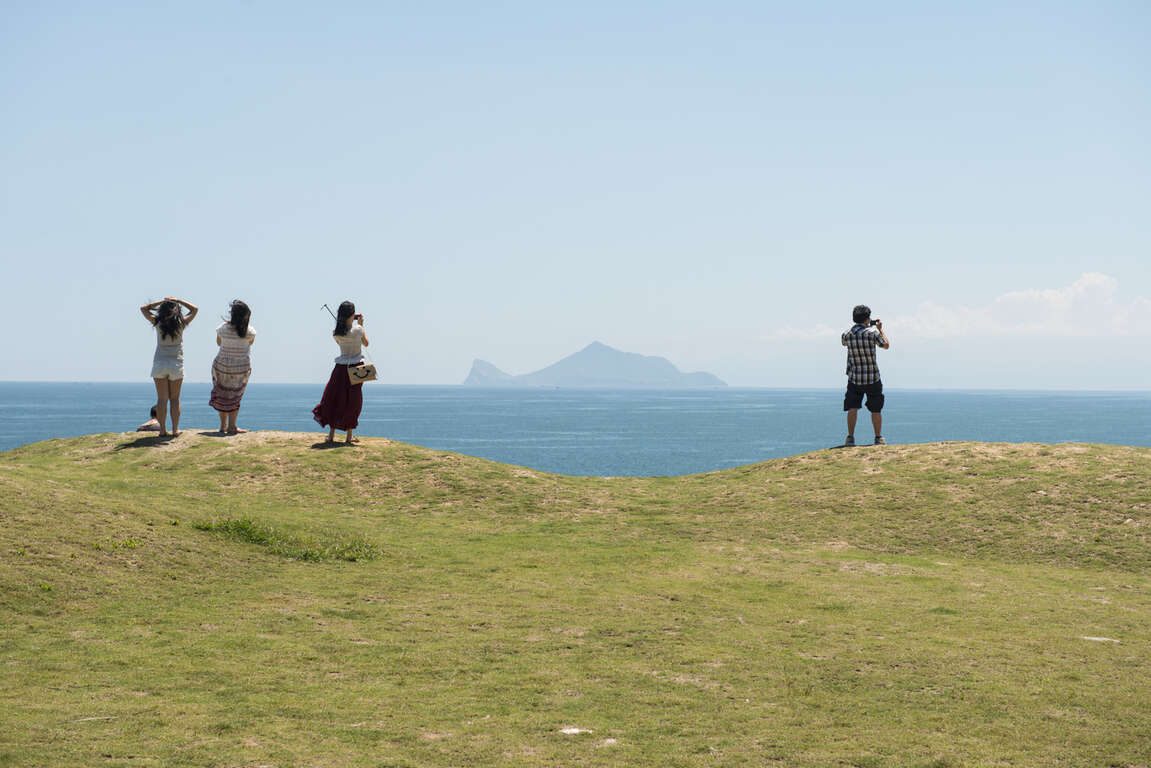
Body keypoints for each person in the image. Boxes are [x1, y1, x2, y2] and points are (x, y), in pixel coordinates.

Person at [312, 301, 370, 445]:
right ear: (352, 315)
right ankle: (349, 437)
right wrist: (361, 324)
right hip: (357, 368)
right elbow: (366, 343)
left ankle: (331, 435)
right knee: (353, 401)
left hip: (340, 368)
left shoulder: (336, 333)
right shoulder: (358, 330)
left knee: (336, 399)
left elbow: (341, 343)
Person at [140, 296, 198, 437]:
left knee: (161, 399)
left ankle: (162, 430)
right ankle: (175, 430)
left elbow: (143, 309)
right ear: (176, 310)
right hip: (176, 364)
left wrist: (162, 301)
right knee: (175, 399)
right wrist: (178, 300)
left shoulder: (158, 323)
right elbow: (195, 309)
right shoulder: (181, 323)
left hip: (159, 363)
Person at [841, 304, 890, 446]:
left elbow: (844, 343)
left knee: (852, 407)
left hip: (854, 377)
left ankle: (850, 437)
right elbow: (886, 345)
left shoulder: (847, 334)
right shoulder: (872, 333)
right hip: (872, 377)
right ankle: (878, 437)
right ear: (867, 318)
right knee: (876, 409)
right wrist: (880, 330)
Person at [209, 300, 256, 435]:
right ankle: (232, 426)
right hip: (240, 368)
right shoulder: (250, 331)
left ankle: (222, 426)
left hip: (222, 365)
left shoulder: (222, 328)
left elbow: (218, 343)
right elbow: (250, 343)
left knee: (222, 393)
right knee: (235, 395)